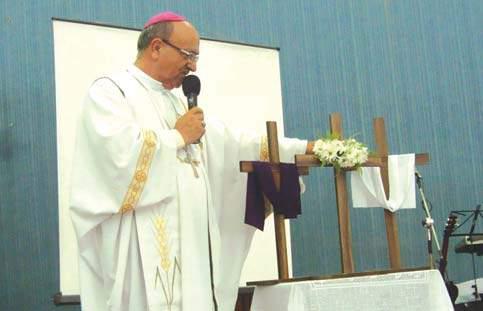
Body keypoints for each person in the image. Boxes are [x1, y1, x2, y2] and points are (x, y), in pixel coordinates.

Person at [70, 11, 313, 311]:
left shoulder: (177, 101)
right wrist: (176, 137)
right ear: (156, 47)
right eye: (188, 55)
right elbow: (116, 158)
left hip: (194, 255)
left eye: (196, 57)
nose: (193, 66)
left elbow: (231, 144)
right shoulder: (112, 91)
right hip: (141, 256)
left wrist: (302, 149)